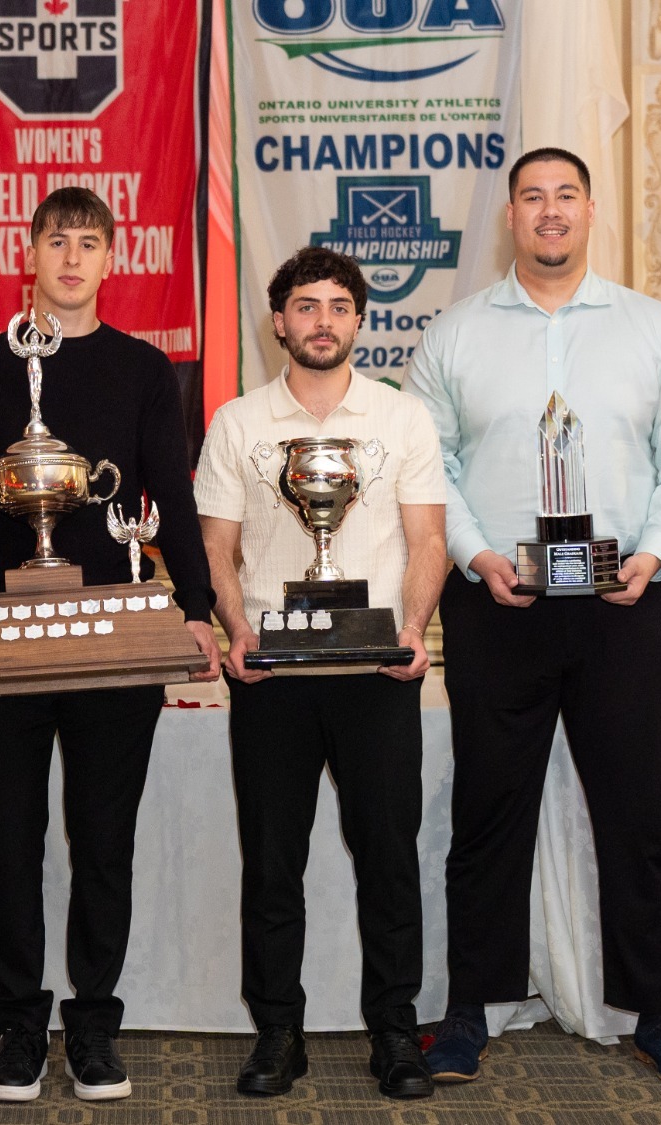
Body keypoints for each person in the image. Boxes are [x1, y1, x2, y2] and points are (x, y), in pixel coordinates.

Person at [0, 186, 220, 1103]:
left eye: (89, 243)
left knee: (104, 837)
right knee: (12, 835)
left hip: (115, 632)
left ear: (112, 260)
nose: (72, 258)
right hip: (4, 635)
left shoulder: (147, 371)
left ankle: (96, 1023)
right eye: (56, 242)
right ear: (28, 254)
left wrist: (195, 605)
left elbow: (173, 498)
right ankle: (21, 1025)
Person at [402, 147, 661, 1086]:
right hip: (501, 602)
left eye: (566, 197)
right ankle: (469, 1009)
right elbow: (431, 469)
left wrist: (655, 552)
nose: (550, 212)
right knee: (486, 815)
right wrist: (474, 555)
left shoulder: (653, 329)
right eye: (533, 197)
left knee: (638, 818)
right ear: (511, 216)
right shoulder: (455, 334)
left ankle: (655, 1010)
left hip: (628, 603)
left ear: (591, 212)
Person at [195, 247, 447, 1099]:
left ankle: (394, 1032)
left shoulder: (401, 417)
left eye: (340, 306)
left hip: (378, 671)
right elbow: (217, 548)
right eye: (306, 306)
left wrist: (412, 629)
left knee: (389, 858)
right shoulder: (237, 422)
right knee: (272, 863)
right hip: (271, 673)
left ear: (359, 320)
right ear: (279, 321)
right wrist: (237, 632)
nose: (323, 320)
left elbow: (428, 540)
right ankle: (278, 1032)